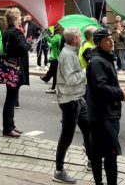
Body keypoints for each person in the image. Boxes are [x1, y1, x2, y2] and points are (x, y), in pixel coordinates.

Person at [87, 28, 125, 185]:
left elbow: (103, 84)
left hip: (101, 113)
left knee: (98, 152)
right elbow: (100, 87)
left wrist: (119, 89)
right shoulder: (99, 61)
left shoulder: (103, 58)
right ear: (99, 43)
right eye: (107, 39)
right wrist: (119, 94)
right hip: (104, 114)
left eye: (111, 38)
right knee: (109, 154)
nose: (111, 41)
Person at [54, 26, 91, 184]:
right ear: (75, 39)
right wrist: (85, 72)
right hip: (70, 100)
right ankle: (59, 171)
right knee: (67, 136)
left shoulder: (72, 53)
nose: (81, 38)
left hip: (78, 98)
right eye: (79, 36)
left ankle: (92, 160)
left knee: (89, 129)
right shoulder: (68, 55)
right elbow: (70, 79)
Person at [1, 8, 29, 138]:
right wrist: (28, 43)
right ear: (15, 19)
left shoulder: (7, 31)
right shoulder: (17, 33)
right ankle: (8, 128)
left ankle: (11, 124)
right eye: (19, 17)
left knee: (11, 98)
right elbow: (23, 49)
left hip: (9, 66)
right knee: (11, 99)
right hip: (15, 68)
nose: (21, 19)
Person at [41, 25, 63, 93]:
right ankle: (53, 87)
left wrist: (45, 33)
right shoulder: (59, 36)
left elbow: (51, 41)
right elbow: (52, 44)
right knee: (54, 73)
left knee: (55, 74)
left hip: (55, 58)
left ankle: (53, 88)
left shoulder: (56, 37)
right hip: (57, 57)